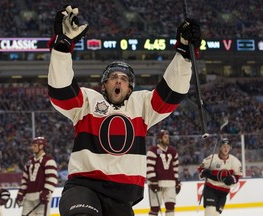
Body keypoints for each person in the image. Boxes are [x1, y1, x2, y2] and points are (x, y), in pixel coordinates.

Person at [47, 4, 201, 216]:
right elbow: (60, 91)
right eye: (113, 77)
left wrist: (184, 53)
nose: (118, 81)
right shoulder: (87, 102)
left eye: (124, 79)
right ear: (104, 85)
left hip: (122, 196)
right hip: (84, 187)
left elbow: (171, 93)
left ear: (130, 88)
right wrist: (62, 47)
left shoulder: (141, 105)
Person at [198, 138, 243, 216]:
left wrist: (232, 179)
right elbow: (201, 169)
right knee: (210, 212)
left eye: (228, 147)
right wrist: (204, 172)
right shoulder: (212, 158)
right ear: (220, 147)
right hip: (210, 189)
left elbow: (238, 176)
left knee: (216, 214)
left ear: (230, 148)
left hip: (224, 192)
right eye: (224, 146)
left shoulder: (235, 161)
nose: (226, 149)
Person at [15, 137, 58, 216]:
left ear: (41, 146)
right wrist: (21, 193)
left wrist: (46, 191)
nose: (32, 148)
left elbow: (52, 178)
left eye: (35, 146)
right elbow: (25, 180)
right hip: (28, 197)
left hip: (41, 197)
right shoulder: (29, 162)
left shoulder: (48, 160)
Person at [146, 130, 181, 216]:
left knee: (170, 207)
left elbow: (175, 167)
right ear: (160, 139)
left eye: (168, 137)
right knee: (155, 208)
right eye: (165, 137)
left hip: (170, 183)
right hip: (156, 183)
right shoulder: (153, 150)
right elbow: (149, 167)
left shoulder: (173, 151)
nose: (167, 139)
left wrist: (176, 181)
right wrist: (153, 181)